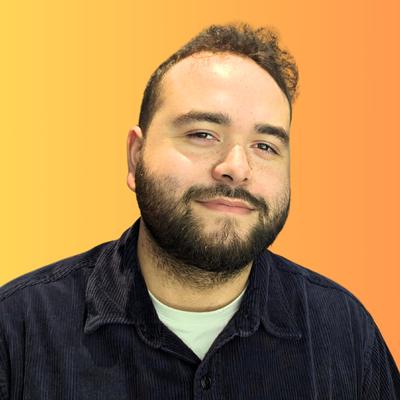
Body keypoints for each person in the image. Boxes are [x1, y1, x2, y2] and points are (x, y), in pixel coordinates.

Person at [0, 23, 399, 400]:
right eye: (203, 134)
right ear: (136, 156)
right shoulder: (17, 329)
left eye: (265, 146)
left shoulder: (345, 332)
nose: (236, 168)